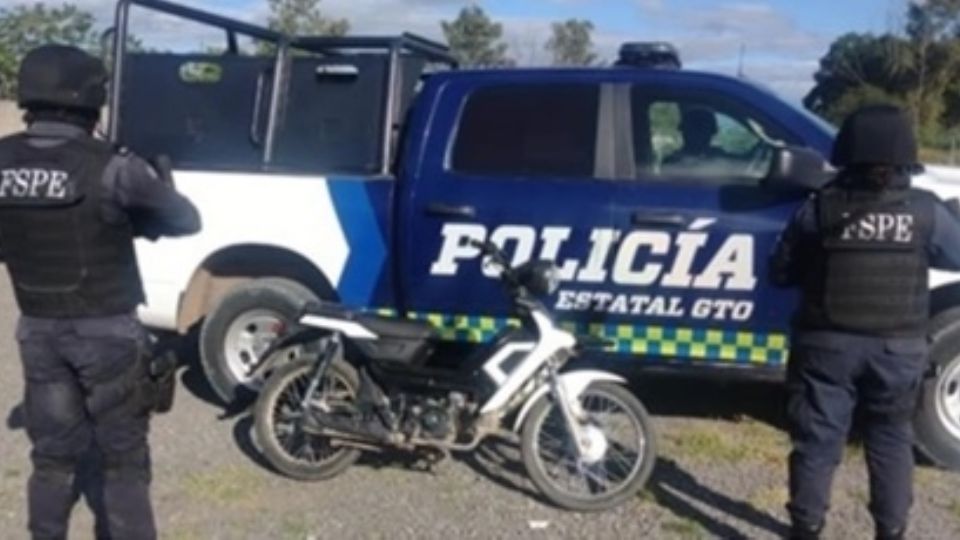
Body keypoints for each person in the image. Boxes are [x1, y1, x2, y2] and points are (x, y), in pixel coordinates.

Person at [0, 45, 201, 539]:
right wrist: (134, 212)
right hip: (107, 332)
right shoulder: (112, 164)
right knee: (123, 461)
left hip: (39, 330)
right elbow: (186, 219)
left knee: (51, 460)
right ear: (89, 99)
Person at [770, 104, 960, 540]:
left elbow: (780, 271)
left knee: (817, 442)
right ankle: (891, 532)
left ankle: (806, 528)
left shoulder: (819, 208)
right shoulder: (926, 211)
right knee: (891, 440)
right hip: (897, 349)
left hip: (826, 346)